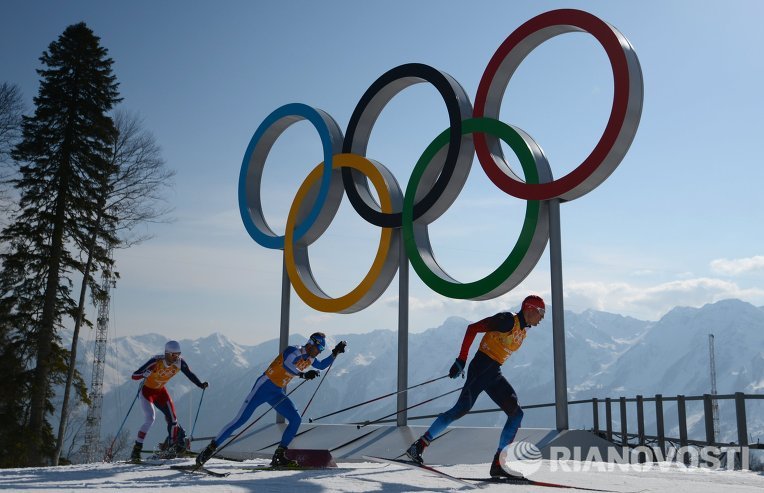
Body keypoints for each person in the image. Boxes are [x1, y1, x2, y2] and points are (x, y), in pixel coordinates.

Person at [405, 295, 546, 479]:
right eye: (541, 312)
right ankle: (418, 446)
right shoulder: (506, 321)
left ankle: (498, 464)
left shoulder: (522, 329)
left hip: (493, 371)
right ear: (529, 309)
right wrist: (461, 359)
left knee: (516, 414)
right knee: (460, 409)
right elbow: (472, 328)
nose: (542, 317)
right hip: (481, 367)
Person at [196, 332, 347, 467]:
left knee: (295, 419)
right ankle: (209, 449)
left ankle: (280, 455)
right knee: (240, 420)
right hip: (263, 387)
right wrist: (303, 375)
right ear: (312, 343)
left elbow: (321, 366)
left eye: (321, 351)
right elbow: (288, 365)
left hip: (276, 392)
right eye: (319, 349)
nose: (319, 353)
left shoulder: (310, 358)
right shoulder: (294, 350)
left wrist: (335, 353)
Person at [129, 340, 208, 462]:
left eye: (178, 354)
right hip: (146, 392)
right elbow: (134, 376)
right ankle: (136, 450)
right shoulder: (155, 361)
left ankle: (171, 448)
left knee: (173, 420)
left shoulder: (180, 362)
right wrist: (144, 374)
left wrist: (200, 384)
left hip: (160, 392)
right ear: (166, 353)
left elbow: (190, 374)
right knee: (150, 419)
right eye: (173, 355)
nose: (176, 357)